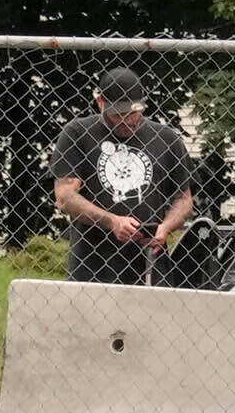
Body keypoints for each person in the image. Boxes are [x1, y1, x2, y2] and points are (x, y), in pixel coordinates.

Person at [52, 68, 198, 287]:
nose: (129, 120)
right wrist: (112, 221)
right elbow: (65, 196)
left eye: (134, 112)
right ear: (101, 102)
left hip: (149, 267)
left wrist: (165, 227)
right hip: (93, 268)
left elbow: (184, 200)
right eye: (119, 115)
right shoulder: (78, 133)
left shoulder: (166, 139)